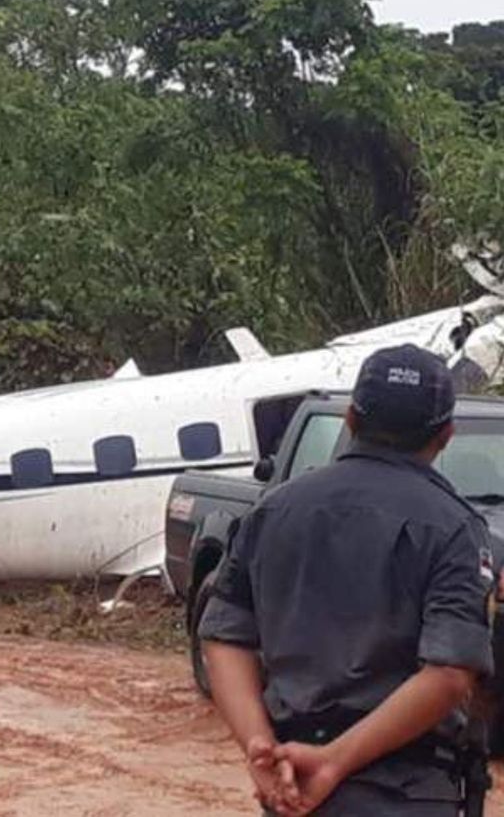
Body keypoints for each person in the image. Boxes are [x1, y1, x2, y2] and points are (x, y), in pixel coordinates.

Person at [200, 343, 494, 816]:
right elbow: (448, 675)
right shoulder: (454, 529)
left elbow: (222, 638)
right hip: (405, 793)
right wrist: (333, 762)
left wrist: (259, 746)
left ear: (351, 420)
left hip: (293, 786)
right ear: (446, 434)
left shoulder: (273, 511)